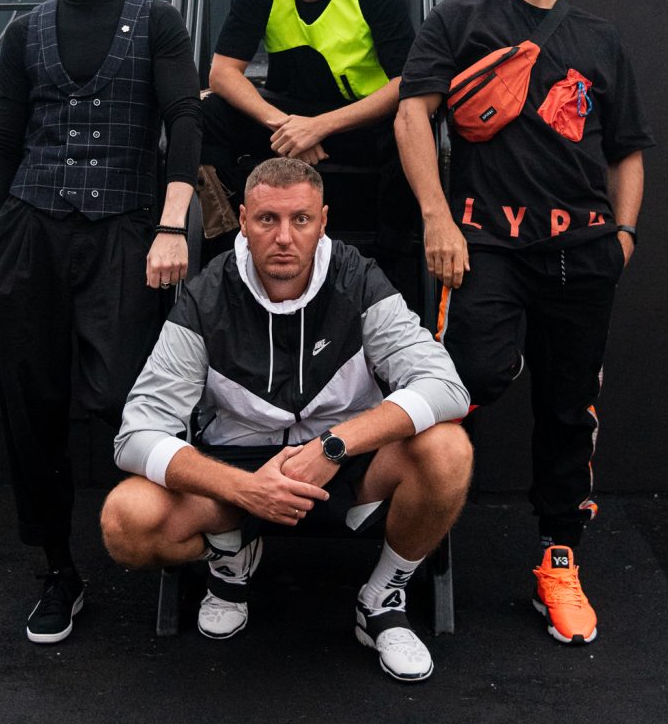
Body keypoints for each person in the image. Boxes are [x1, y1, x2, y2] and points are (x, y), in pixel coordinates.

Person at [395, 0, 654, 645]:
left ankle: (557, 558)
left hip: (584, 251)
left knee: (570, 408)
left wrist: (624, 235)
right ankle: (412, 515)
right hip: (487, 245)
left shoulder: (600, 39)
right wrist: (437, 217)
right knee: (468, 376)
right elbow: (412, 113)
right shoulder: (459, 20)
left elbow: (626, 149)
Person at [101, 158, 472, 682]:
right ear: (243, 220)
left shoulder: (358, 279)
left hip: (346, 466)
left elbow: (447, 387)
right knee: (125, 521)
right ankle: (230, 560)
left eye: (300, 220)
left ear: (323, 222)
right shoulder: (207, 296)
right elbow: (136, 435)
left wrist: (334, 446)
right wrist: (245, 489)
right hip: (236, 475)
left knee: (448, 448)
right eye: (267, 219)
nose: (283, 237)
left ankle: (382, 599)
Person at [0, 0, 202, 644]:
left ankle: (175, 538)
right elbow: (4, 134)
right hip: (31, 232)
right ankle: (57, 571)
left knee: (125, 399)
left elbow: (184, 119)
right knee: (31, 406)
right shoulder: (27, 30)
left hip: (123, 232)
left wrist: (171, 226)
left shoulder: (158, 20)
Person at [200, 0, 416, 269]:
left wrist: (319, 127)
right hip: (287, 121)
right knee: (204, 112)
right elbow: (222, 73)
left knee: (412, 125)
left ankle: (394, 266)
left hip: (361, 123)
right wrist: (287, 126)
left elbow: (406, 82)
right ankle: (227, 256)